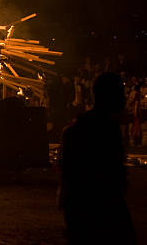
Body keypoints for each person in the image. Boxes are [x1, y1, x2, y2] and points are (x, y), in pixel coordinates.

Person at [58, 72, 135, 244]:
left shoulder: (82, 127)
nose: (124, 98)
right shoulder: (104, 130)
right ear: (110, 96)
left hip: (83, 208)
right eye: (120, 93)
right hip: (97, 207)